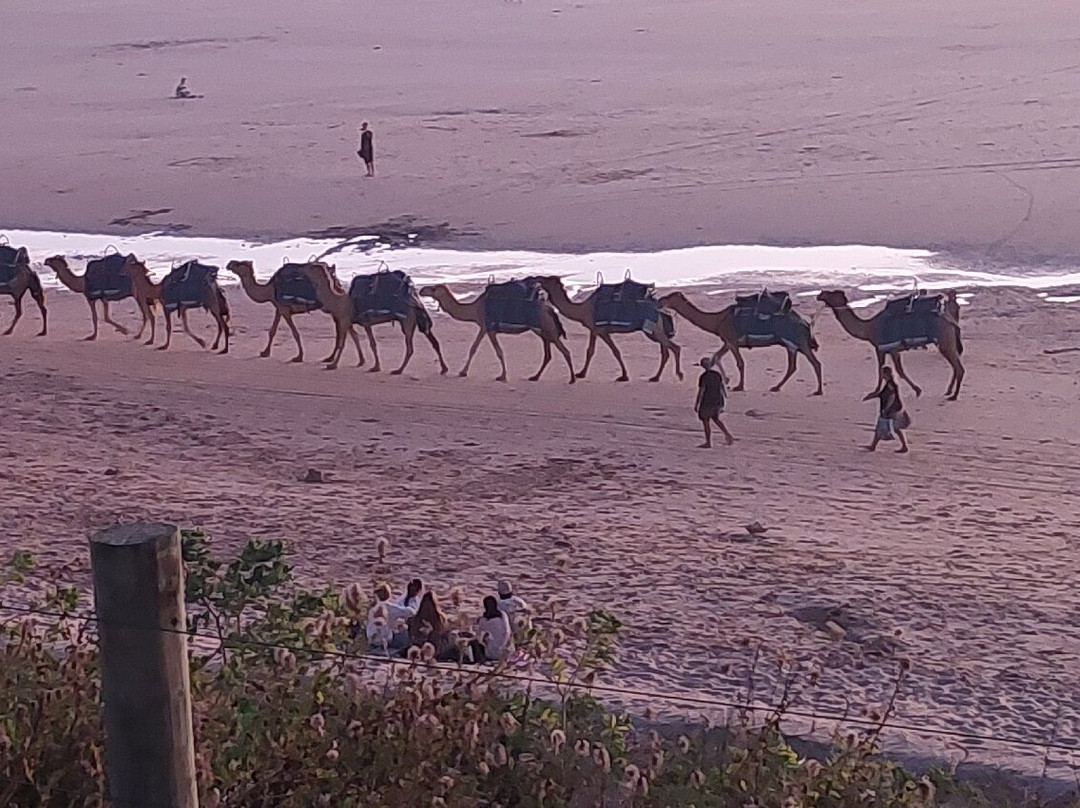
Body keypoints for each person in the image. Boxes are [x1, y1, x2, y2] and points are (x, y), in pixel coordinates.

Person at [863, 366, 910, 453]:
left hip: (892, 409)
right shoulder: (890, 383)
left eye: (882, 373)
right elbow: (881, 394)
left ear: (886, 374)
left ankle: (904, 446)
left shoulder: (891, 384)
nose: (881, 375)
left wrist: (887, 408)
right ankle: (874, 446)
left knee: (886, 427)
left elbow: (891, 396)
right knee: (891, 427)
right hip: (894, 408)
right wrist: (870, 396)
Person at [694, 357, 734, 448]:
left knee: (706, 420)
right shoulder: (717, 374)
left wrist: (697, 403)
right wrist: (724, 398)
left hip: (707, 400)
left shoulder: (703, 377)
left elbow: (701, 391)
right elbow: (722, 387)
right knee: (716, 419)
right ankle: (728, 435)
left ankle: (708, 442)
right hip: (717, 399)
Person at [365, 583, 416, 652]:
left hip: (371, 640)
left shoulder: (371, 607)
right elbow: (411, 612)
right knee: (404, 631)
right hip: (385, 641)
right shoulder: (389, 607)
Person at [475, 596, 513, 661]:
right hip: (502, 651)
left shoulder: (483, 619)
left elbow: (478, 635)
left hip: (494, 651)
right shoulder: (502, 615)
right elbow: (507, 631)